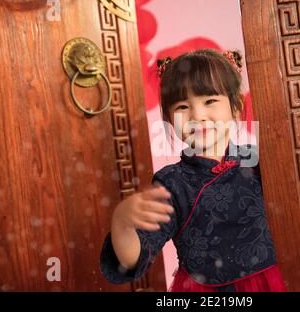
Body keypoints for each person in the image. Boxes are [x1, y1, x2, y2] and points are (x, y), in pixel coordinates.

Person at [100, 49, 286, 292]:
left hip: (268, 283)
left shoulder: (261, 160)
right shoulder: (172, 183)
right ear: (168, 118)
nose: (197, 116)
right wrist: (122, 222)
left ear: (236, 106)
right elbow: (132, 258)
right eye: (182, 106)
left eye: (210, 101)